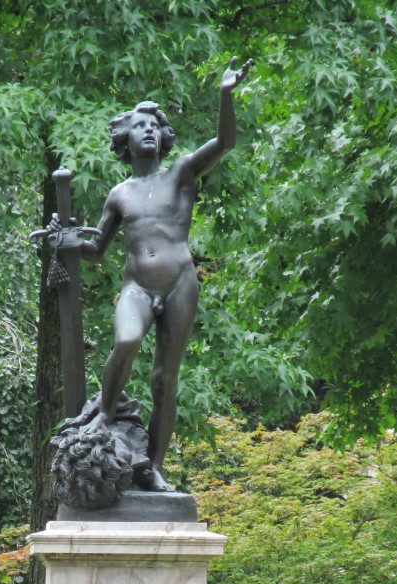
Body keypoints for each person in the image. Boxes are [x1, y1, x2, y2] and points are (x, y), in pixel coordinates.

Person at [76, 57, 251, 492]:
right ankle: (105, 413)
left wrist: (225, 95)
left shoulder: (181, 173)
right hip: (137, 285)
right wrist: (67, 242)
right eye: (139, 126)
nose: (149, 130)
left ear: (163, 136)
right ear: (125, 139)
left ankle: (153, 466)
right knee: (126, 341)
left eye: (154, 125)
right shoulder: (120, 194)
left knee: (164, 381)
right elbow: (95, 251)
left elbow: (225, 142)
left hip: (179, 284)